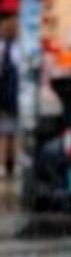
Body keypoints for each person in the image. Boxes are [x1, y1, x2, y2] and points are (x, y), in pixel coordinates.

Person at [0, 12, 18, 178]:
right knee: (5, 131)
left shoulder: (18, 48)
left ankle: (11, 164)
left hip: (14, 95)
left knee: (12, 131)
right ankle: (4, 165)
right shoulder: (5, 48)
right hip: (5, 95)